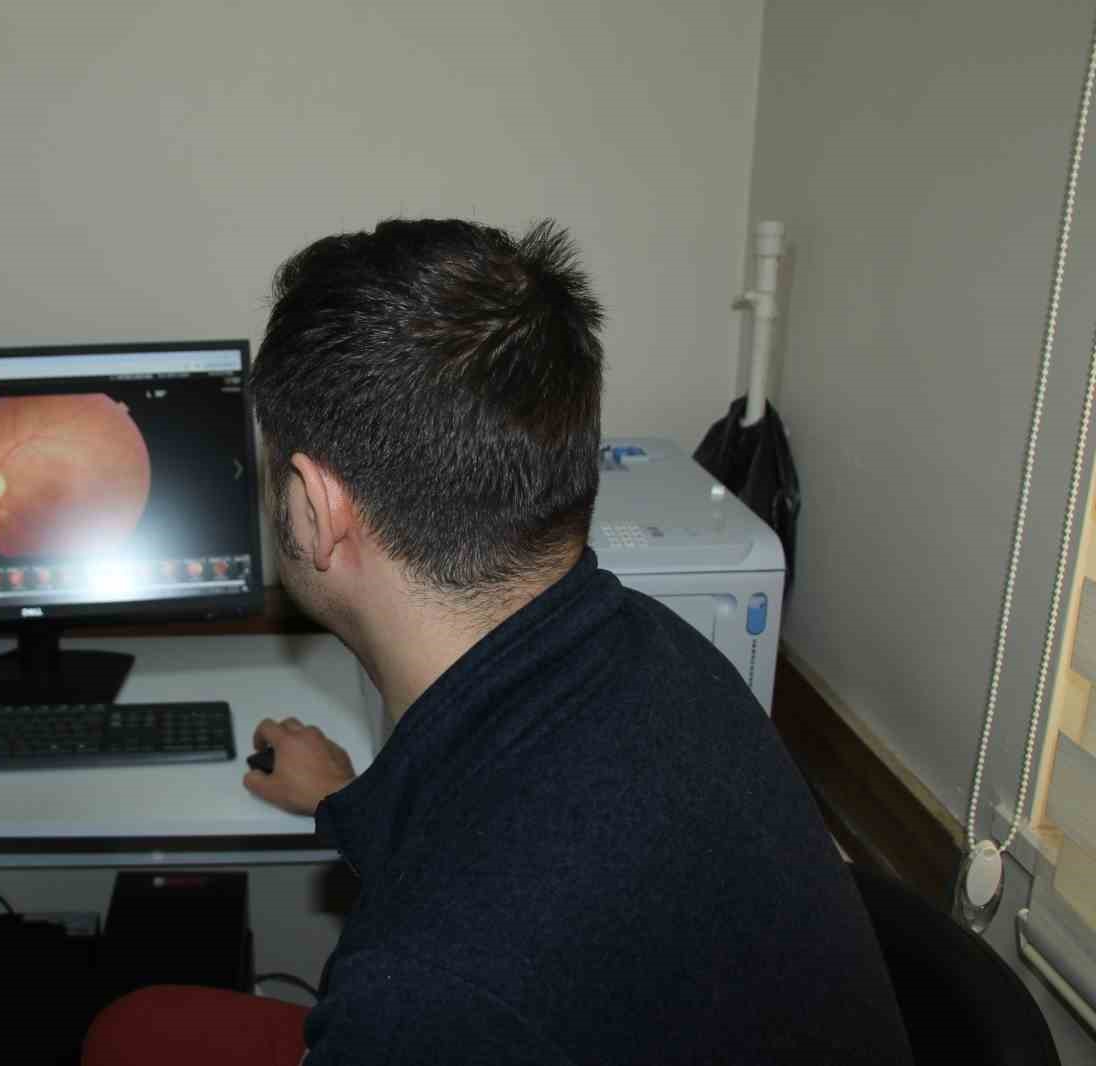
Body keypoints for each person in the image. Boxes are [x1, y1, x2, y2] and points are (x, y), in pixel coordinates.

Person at [82, 219, 913, 1065]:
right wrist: (350, 800)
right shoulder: (656, 650)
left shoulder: (427, 994)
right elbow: (527, 839)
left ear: (317, 507)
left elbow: (487, 930)